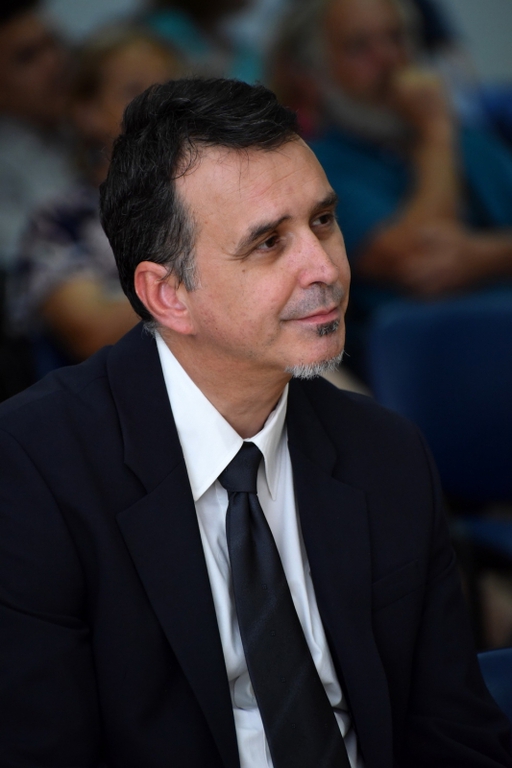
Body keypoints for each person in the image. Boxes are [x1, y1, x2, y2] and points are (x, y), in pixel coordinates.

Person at [0, 77, 510, 768]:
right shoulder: (32, 471)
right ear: (167, 295)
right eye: (269, 242)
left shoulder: (385, 452)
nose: (323, 268)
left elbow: (453, 734)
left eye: (323, 221)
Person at [273, 0, 512, 368]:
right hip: (431, 361)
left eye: (396, 38)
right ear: (314, 76)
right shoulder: (315, 166)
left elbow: (455, 259)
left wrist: (480, 257)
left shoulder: (470, 142)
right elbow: (421, 258)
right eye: (359, 47)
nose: (388, 59)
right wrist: (435, 132)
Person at [9, 26, 182, 372]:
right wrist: (214, 279)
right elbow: (94, 331)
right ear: (86, 111)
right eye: (135, 90)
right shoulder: (60, 221)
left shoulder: (208, 196)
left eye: (170, 92)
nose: (159, 107)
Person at [0, 0, 74, 266]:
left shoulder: (86, 122)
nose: (54, 63)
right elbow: (33, 265)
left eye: (54, 44)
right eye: (27, 57)